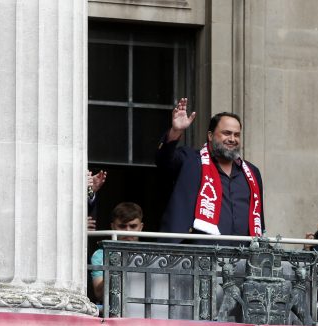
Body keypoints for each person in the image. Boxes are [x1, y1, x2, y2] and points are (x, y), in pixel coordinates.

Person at [156, 98, 264, 243]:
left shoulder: (251, 172)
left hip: (242, 259)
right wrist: (176, 131)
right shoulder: (190, 160)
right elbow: (163, 161)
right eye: (226, 133)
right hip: (196, 257)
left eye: (236, 135)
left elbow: (258, 218)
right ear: (210, 136)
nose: (232, 139)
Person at [90, 202, 144, 302]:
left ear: (141, 227)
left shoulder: (152, 254)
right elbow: (99, 294)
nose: (127, 231)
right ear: (113, 226)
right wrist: (115, 269)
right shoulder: (100, 255)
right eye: (122, 226)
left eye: (133, 226)